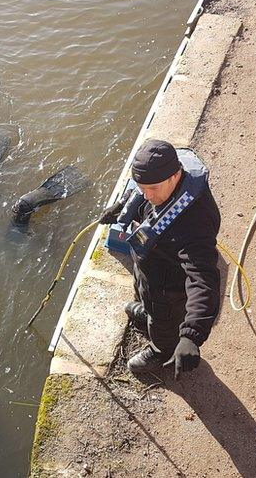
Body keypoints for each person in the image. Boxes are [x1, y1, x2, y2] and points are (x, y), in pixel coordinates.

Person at [98, 139, 221, 377]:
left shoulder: (195, 222)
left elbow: (203, 278)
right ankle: (146, 311)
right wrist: (121, 206)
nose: (146, 194)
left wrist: (192, 335)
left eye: (152, 189)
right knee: (144, 294)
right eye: (142, 187)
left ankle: (161, 349)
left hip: (168, 288)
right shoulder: (154, 182)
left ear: (175, 176)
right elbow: (138, 190)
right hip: (148, 268)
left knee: (164, 322)